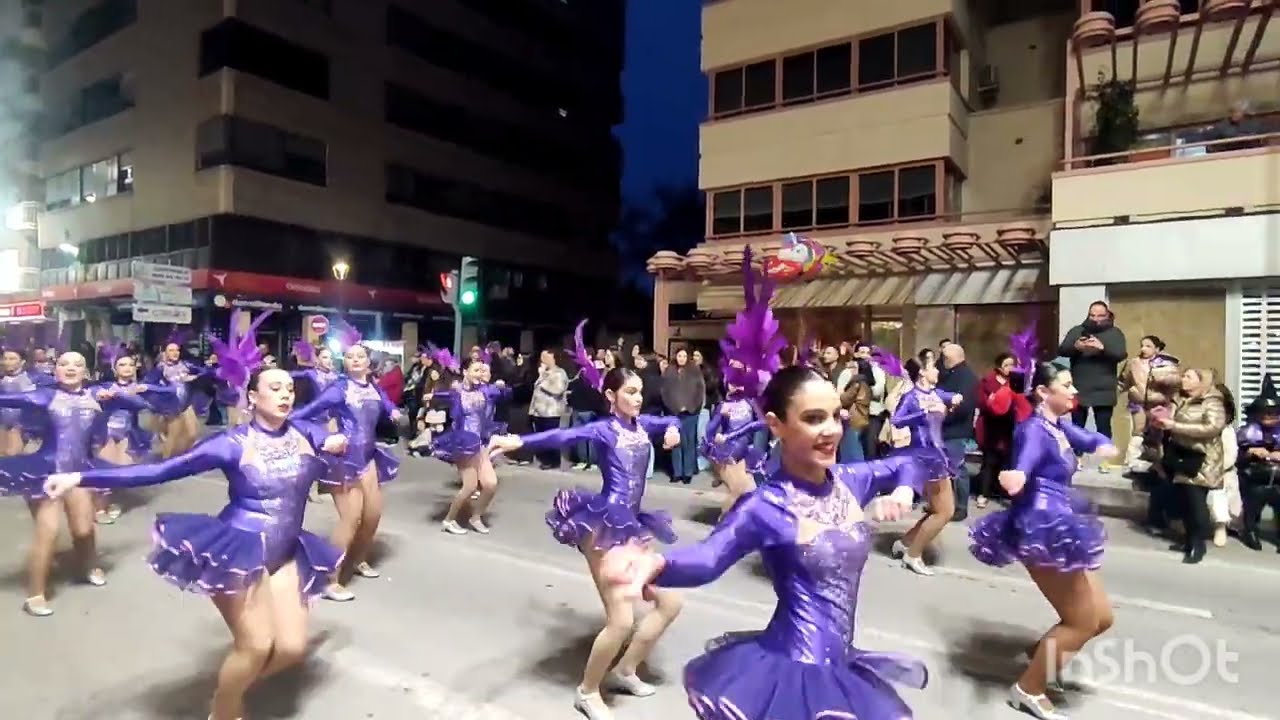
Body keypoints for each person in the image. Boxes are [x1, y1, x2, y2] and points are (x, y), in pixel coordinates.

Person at [598, 364, 928, 720]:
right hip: (792, 670)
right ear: (776, 425)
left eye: (835, 415)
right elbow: (709, 558)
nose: (832, 429)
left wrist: (904, 492)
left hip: (840, 664)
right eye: (814, 418)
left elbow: (909, 463)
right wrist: (658, 564)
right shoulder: (765, 506)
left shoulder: (850, 481)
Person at [42, 367, 348, 720]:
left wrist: (338, 444)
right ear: (252, 396)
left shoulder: (305, 432)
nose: (285, 395)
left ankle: (233, 687)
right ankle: (224, 709)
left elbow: (336, 443)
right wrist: (79, 477)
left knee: (291, 649)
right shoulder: (230, 444)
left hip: (287, 552)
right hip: (239, 552)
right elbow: (159, 471)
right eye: (275, 388)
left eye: (290, 389)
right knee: (255, 647)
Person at [488, 350, 683, 720]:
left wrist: (673, 428)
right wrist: (521, 442)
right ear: (611, 396)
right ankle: (588, 691)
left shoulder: (643, 426)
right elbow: (563, 435)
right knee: (621, 620)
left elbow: (670, 419)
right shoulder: (604, 429)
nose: (637, 398)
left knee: (670, 603)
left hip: (633, 525)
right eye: (630, 392)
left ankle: (625, 670)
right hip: (603, 526)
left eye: (640, 392)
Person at [969, 362, 1119, 720]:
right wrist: (1017, 477)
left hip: (1063, 523)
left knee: (1101, 617)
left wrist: (1102, 444)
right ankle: (1028, 689)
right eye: (1066, 385)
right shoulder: (1034, 429)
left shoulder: (1060, 425)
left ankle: (1042, 657)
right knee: (1081, 622)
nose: (1074, 391)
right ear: (1042, 392)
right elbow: (1025, 459)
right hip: (1041, 527)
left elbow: (1088, 439)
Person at [290, 324, 400, 602]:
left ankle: (358, 559)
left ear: (368, 362)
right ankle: (329, 579)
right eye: (350, 357)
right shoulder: (339, 389)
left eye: (360, 356)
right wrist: (321, 436)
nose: (355, 360)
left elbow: (385, 402)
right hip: (344, 461)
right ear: (345, 362)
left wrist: (394, 411)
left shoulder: (373, 386)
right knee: (351, 519)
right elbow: (304, 414)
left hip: (368, 457)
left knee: (373, 516)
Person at [889, 356, 963, 575]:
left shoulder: (935, 393)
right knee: (945, 512)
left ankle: (906, 543)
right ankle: (913, 555)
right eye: (933, 367)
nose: (937, 371)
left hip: (938, 454)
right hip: (924, 456)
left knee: (939, 510)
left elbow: (950, 397)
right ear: (922, 372)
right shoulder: (912, 397)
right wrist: (922, 414)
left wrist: (956, 398)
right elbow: (896, 420)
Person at [1152, 368, 1229, 564]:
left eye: (1188, 377)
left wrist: (1175, 426)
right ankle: (1189, 540)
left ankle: (1198, 544)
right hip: (1181, 454)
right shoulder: (1180, 399)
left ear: (1201, 381)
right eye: (1183, 376)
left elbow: (1213, 428)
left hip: (1202, 459)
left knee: (1196, 503)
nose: (1183, 379)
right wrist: (1161, 420)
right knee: (1184, 502)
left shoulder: (1212, 402)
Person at [431, 350, 510, 535]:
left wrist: (502, 387)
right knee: (470, 486)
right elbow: (441, 397)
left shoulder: (485, 390)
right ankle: (449, 520)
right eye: (475, 370)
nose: (479, 374)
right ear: (465, 372)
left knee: (490, 484)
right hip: (464, 444)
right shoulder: (457, 392)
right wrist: (435, 395)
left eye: (481, 371)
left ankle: (475, 517)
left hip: (480, 443)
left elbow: (505, 394)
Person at [1056, 302, 1127, 452]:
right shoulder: (1077, 331)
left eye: (1100, 316)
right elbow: (1062, 350)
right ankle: (1076, 456)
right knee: (1077, 427)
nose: (1096, 319)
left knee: (1103, 427)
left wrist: (1103, 348)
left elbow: (1121, 354)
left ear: (1107, 315)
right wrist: (1076, 347)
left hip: (1104, 389)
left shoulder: (1115, 333)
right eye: (1092, 315)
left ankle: (1105, 458)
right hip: (1079, 387)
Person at [1237, 374, 1280, 551]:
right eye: (1265, 412)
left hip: (1278, 479)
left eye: (1274, 413)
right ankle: (1250, 530)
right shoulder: (1247, 432)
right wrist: (1250, 452)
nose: (1269, 416)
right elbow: (1237, 455)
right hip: (1254, 477)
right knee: (1254, 498)